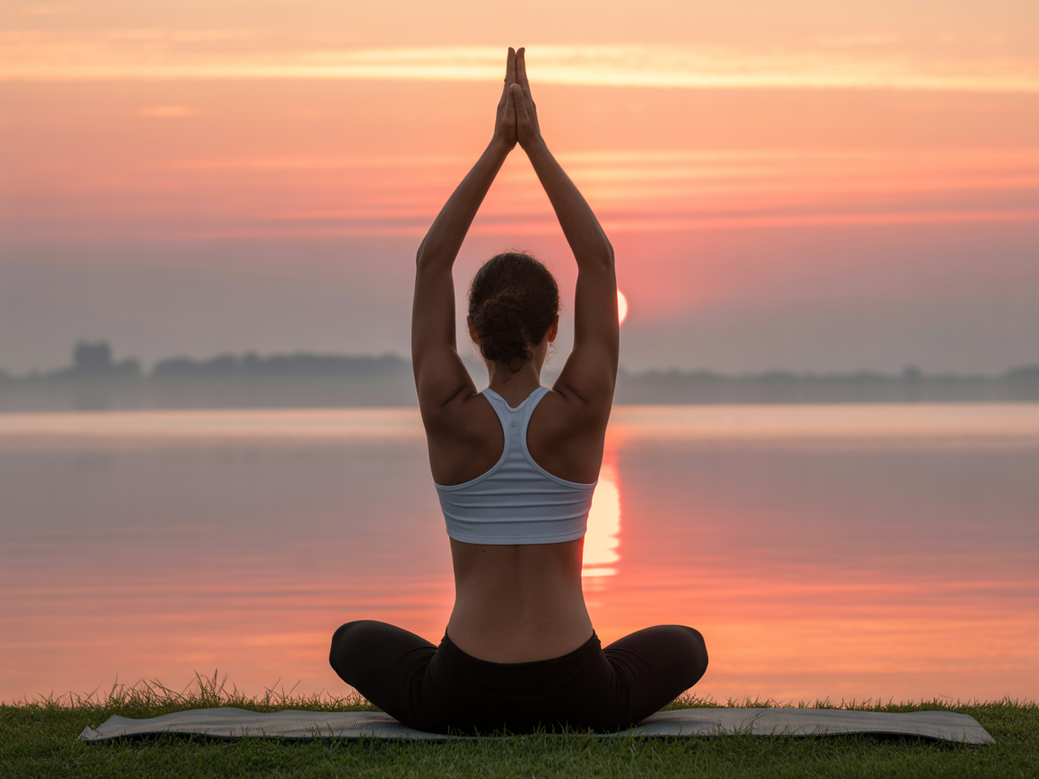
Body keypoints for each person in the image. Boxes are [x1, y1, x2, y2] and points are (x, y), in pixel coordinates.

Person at [329, 48, 707, 734]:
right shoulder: (578, 411)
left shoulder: (448, 411)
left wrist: (495, 147)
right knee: (687, 644)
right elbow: (598, 260)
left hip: (460, 691)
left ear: (471, 331)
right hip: (579, 689)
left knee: (350, 639)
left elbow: (430, 260)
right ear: (553, 330)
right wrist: (534, 144)